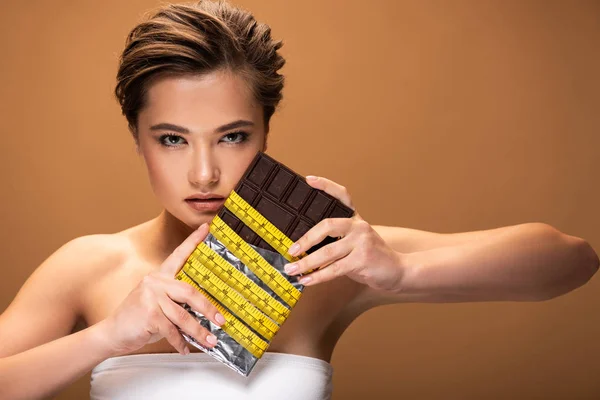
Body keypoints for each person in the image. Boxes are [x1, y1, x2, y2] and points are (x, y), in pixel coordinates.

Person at [0, 1, 598, 399]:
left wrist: (401, 270)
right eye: (172, 139)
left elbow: (572, 261)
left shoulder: (328, 261)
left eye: (232, 137)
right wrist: (110, 337)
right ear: (138, 139)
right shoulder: (90, 266)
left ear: (265, 133)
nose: (205, 172)